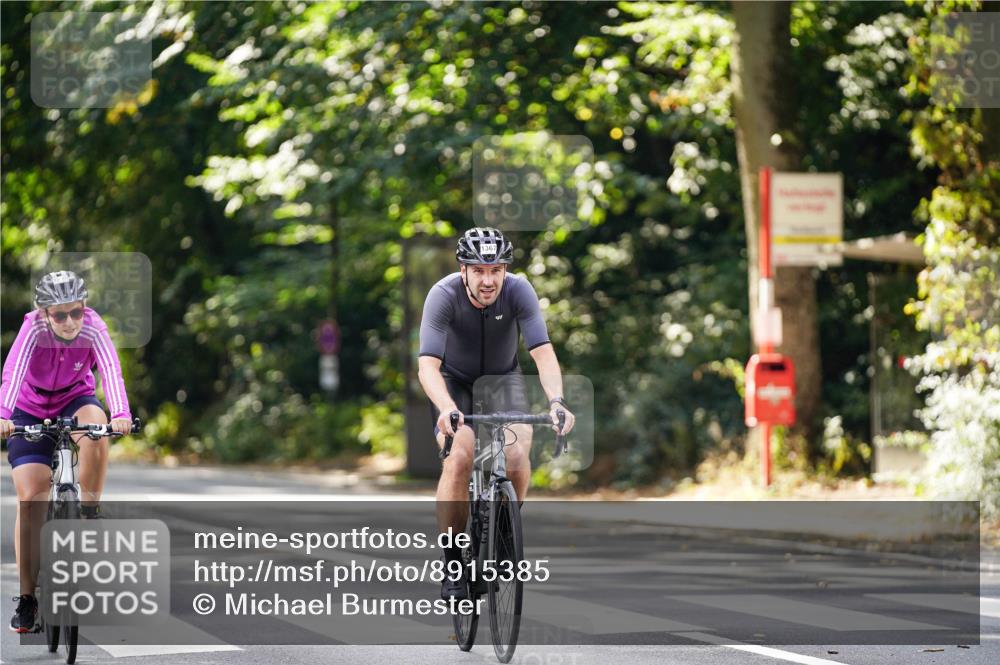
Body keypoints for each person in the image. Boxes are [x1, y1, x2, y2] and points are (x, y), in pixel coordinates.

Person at [417, 227, 575, 601]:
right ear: (463, 270)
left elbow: (543, 353)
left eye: (496, 270)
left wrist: (557, 401)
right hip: (454, 383)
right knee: (459, 458)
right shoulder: (443, 295)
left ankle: (504, 533)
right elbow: (427, 365)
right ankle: (452, 562)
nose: (488, 280)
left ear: (505, 270)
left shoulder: (519, 291)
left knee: (518, 452)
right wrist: (447, 407)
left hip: (503, 380)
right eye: (479, 270)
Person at [0, 271, 133, 633]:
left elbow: (111, 371)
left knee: (97, 428)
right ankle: (27, 599)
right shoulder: (32, 329)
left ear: (84, 307)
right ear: (44, 314)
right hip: (28, 409)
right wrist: (4, 415)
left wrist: (121, 413)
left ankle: (88, 510)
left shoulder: (93, 327)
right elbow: (12, 373)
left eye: (76, 312)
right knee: (31, 500)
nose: (70, 321)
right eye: (60, 315)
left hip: (75, 398)